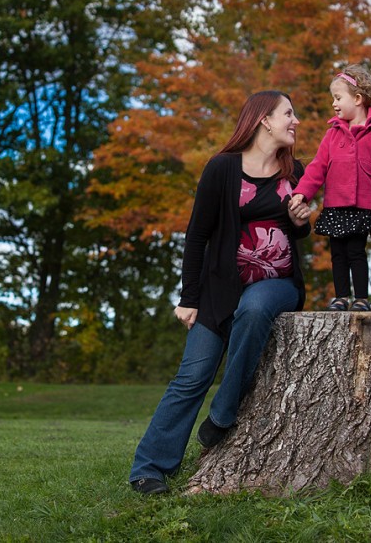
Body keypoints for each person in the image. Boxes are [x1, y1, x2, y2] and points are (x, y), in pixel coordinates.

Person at [129, 90, 312, 496]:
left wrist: (301, 220)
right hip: (217, 291)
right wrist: (189, 297)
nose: (295, 121)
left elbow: (300, 232)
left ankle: (224, 413)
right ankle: (149, 469)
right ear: (264, 119)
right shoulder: (221, 169)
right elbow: (197, 237)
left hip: (276, 286)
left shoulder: (293, 171)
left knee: (254, 308)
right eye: (289, 114)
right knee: (191, 377)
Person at [288, 65, 371, 311]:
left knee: (356, 252)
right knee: (337, 254)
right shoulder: (332, 134)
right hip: (336, 205)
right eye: (332, 99)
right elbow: (317, 168)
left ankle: (361, 298)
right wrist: (302, 193)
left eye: (338, 98)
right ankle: (341, 297)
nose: (334, 104)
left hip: (362, 207)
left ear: (358, 99)